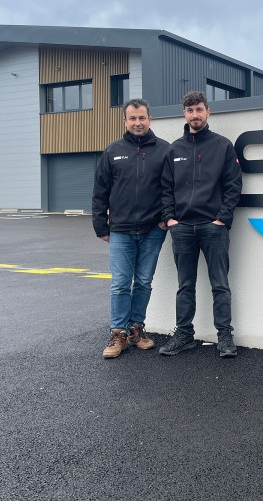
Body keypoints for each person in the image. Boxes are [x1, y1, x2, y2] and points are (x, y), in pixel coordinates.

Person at [158, 91, 242, 358]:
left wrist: (222, 219)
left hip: (213, 227)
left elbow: (233, 185)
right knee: (185, 285)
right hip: (182, 228)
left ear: (208, 112)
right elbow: (165, 188)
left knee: (220, 284)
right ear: (184, 113)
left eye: (199, 109)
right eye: (190, 110)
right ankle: (184, 334)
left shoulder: (222, 146)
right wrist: (171, 219)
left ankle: (224, 336)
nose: (195, 114)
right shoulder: (175, 149)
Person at [92, 98, 169, 359]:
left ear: (150, 119)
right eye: (133, 118)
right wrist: (101, 225)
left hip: (152, 229)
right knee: (121, 284)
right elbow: (100, 191)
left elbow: (174, 189)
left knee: (144, 282)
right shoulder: (112, 151)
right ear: (125, 121)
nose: (138, 122)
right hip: (121, 230)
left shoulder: (164, 150)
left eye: (142, 117)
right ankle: (118, 333)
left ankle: (137, 329)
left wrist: (164, 220)